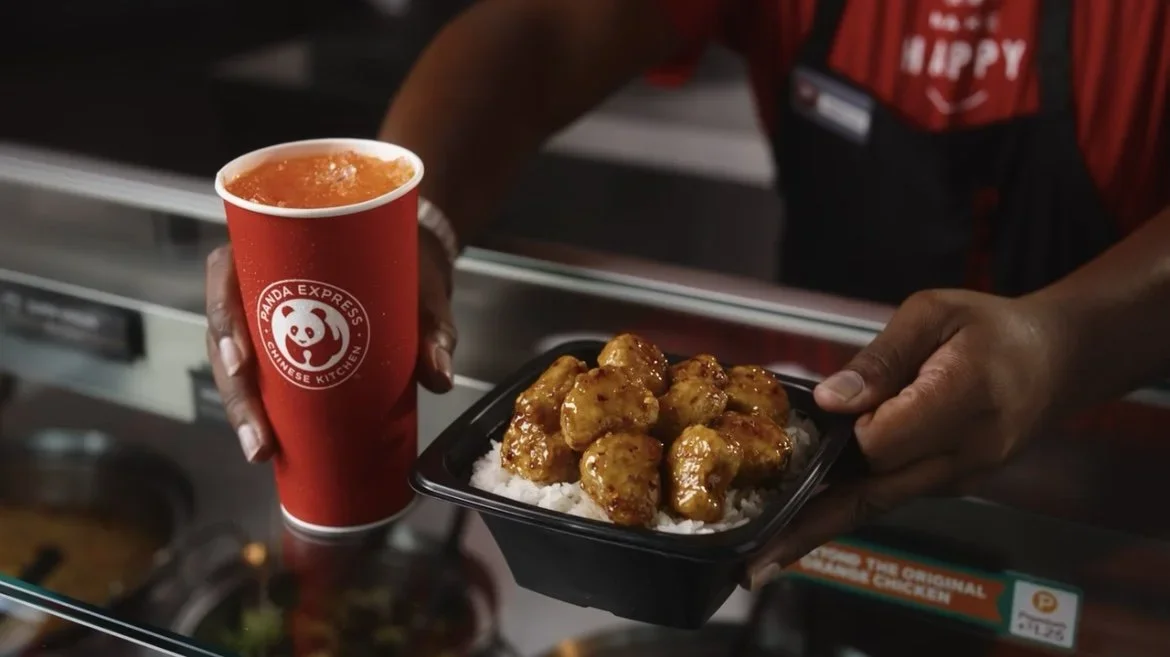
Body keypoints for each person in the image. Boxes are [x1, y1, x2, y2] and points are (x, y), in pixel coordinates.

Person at [205, 0, 1170, 590]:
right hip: (800, 479)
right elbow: (543, 29)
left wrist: (1068, 341)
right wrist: (406, 224)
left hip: (1109, 486)